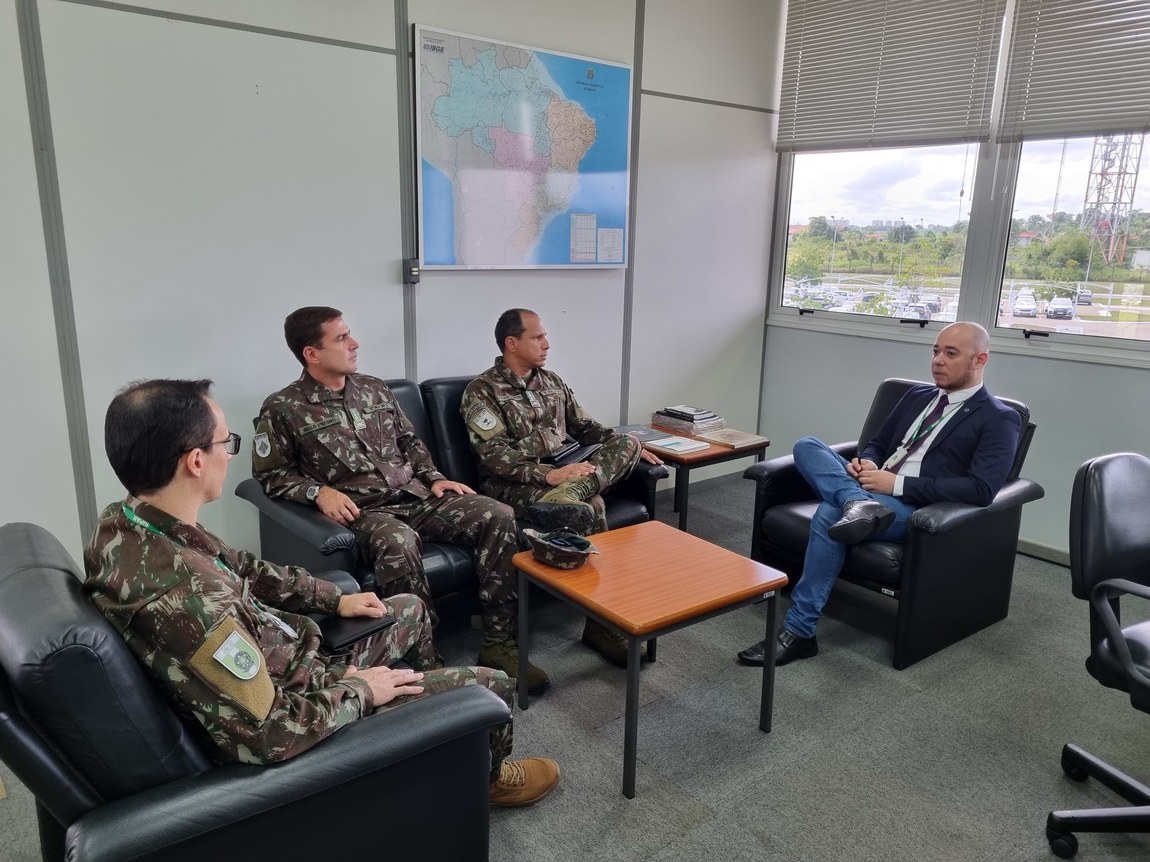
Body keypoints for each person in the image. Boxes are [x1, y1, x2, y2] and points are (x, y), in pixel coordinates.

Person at [84, 378, 558, 806]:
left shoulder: (134, 523)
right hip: (310, 703)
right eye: (224, 443)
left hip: (297, 658)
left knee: (409, 607)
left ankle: (428, 730)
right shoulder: (190, 598)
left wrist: (334, 599)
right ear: (195, 461)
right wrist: (361, 691)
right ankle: (487, 779)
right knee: (490, 688)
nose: (229, 454)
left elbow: (248, 568)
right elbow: (270, 732)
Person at [253, 307, 551, 695]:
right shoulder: (283, 408)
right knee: (399, 542)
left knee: (497, 514)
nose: (354, 343)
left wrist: (436, 477)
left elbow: (409, 442)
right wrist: (317, 491)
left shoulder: (374, 389)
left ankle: (500, 642)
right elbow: (269, 475)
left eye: (350, 334)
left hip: (416, 495)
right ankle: (426, 661)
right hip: (366, 511)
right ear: (312, 353)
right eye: (341, 338)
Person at [736, 322, 1021, 667]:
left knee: (828, 513)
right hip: (869, 487)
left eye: (951, 353)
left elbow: (981, 489)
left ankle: (799, 631)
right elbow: (876, 442)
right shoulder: (916, 396)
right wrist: (866, 462)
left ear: (980, 360)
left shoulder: (998, 418)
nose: (937, 361)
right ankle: (854, 501)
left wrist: (895, 485)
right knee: (807, 445)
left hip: (909, 506)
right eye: (935, 351)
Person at [460, 308, 663, 667]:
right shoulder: (482, 391)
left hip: (566, 475)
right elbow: (494, 457)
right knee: (594, 506)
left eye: (545, 336)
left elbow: (587, 428)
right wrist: (547, 476)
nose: (547, 344)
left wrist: (628, 448)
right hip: (512, 485)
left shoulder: (551, 381)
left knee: (628, 442)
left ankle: (576, 491)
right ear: (512, 343)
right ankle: (600, 624)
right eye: (537, 337)